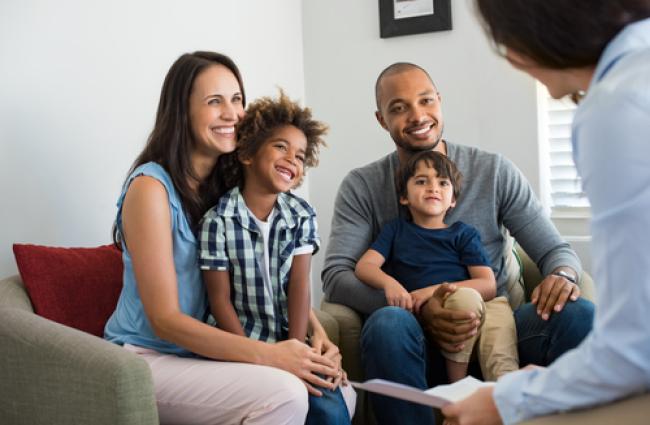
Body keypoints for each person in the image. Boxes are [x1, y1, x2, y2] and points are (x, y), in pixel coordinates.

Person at [321, 61, 595, 424]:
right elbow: (337, 275)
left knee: (578, 314)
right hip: (410, 333)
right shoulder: (363, 186)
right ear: (381, 119)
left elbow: (555, 251)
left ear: (440, 101)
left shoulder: (494, 171)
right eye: (399, 108)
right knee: (388, 324)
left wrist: (564, 275)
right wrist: (419, 307)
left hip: (498, 324)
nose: (418, 115)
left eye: (426, 101)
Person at [104, 51, 346, 425]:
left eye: (237, 100)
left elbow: (268, 279)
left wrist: (314, 339)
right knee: (285, 394)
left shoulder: (227, 189)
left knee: (338, 391)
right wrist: (272, 356)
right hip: (145, 358)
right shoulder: (150, 189)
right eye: (214, 101)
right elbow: (165, 320)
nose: (232, 113)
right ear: (182, 112)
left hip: (203, 355)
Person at [441, 1, 650, 424]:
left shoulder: (615, 107)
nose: (508, 58)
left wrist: (513, 397)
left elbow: (633, 348)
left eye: (501, 39)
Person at [198, 91, 355, 423]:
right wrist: (251, 356)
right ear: (248, 153)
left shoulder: (301, 215)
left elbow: (299, 286)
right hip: (238, 343)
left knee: (329, 400)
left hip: (290, 339)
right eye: (281, 147)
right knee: (309, 399)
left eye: (300, 155)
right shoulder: (217, 221)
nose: (291, 160)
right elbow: (219, 300)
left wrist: (297, 351)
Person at [355, 150, 518, 382]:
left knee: (498, 342)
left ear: (452, 200)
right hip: (431, 317)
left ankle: (503, 400)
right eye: (422, 181)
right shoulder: (395, 230)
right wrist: (389, 284)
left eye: (443, 183)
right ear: (404, 197)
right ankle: (456, 392)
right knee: (463, 301)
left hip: (479, 307)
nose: (433, 188)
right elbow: (365, 266)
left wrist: (429, 292)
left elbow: (487, 284)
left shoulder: (463, 233)